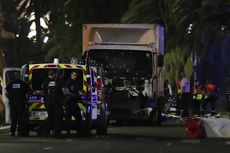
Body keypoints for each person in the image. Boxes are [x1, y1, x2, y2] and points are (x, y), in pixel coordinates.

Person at [42, 70, 65, 137]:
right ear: (54, 74)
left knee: (50, 117)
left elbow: (43, 89)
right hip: (56, 102)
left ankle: (46, 133)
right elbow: (63, 91)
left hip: (48, 102)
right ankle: (57, 133)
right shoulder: (57, 81)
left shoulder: (45, 81)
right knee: (58, 117)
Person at [5, 72, 29, 136]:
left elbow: (6, 93)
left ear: (14, 77)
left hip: (13, 104)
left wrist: (11, 98)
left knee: (14, 118)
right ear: (20, 77)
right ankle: (20, 132)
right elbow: (28, 92)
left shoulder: (11, 84)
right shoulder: (23, 84)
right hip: (21, 103)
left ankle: (12, 132)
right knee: (20, 119)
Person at [64, 71, 82, 136]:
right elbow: (67, 92)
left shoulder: (75, 82)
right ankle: (68, 132)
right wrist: (75, 95)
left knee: (79, 117)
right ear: (71, 75)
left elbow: (77, 91)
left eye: (76, 75)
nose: (75, 76)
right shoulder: (68, 82)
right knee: (68, 118)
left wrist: (79, 95)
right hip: (69, 102)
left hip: (74, 102)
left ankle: (78, 132)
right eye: (74, 75)